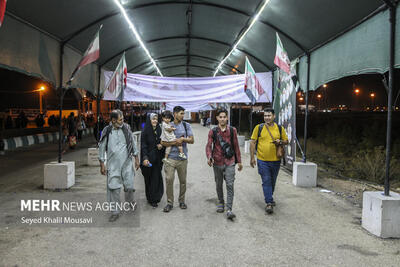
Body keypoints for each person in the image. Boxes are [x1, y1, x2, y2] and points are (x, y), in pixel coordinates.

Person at [98, 110, 140, 222]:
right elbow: (101, 147)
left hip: (126, 163)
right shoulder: (107, 131)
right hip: (113, 165)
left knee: (129, 186)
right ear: (113, 120)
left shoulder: (126, 128)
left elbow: (132, 142)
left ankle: (130, 201)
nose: (122, 121)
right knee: (114, 189)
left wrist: (136, 158)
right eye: (120, 119)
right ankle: (115, 212)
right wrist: (102, 164)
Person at [205, 108, 243, 220]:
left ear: (227, 118)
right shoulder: (213, 131)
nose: (222, 119)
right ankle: (221, 202)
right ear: (217, 118)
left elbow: (236, 146)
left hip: (230, 161)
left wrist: (239, 161)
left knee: (230, 184)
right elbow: (208, 145)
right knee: (219, 184)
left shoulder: (232, 130)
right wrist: (209, 157)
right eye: (220, 117)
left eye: (224, 117)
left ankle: (229, 209)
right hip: (217, 161)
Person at [250, 108, 288, 214]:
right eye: (265, 115)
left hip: (276, 161)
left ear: (274, 116)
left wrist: (280, 141)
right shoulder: (259, 128)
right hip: (262, 160)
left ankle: (269, 196)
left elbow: (286, 141)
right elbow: (253, 142)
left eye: (269, 115)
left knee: (272, 181)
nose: (267, 117)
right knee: (266, 180)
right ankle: (269, 203)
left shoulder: (279, 128)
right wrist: (252, 157)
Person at [161, 106, 194, 212]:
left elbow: (192, 140)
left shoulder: (186, 125)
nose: (183, 115)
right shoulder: (167, 125)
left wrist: (183, 139)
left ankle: (182, 201)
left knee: (183, 181)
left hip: (182, 158)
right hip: (170, 158)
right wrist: (174, 142)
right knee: (169, 179)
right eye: (181, 113)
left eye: (183, 113)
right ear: (174, 114)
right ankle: (170, 203)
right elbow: (162, 142)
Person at [140, 113, 165, 208]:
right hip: (149, 160)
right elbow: (143, 146)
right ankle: (150, 198)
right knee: (149, 179)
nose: (155, 121)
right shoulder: (145, 131)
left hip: (157, 159)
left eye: (156, 119)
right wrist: (145, 158)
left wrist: (161, 146)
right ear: (149, 120)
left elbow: (163, 142)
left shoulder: (159, 130)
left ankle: (155, 198)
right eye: (153, 119)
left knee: (156, 178)